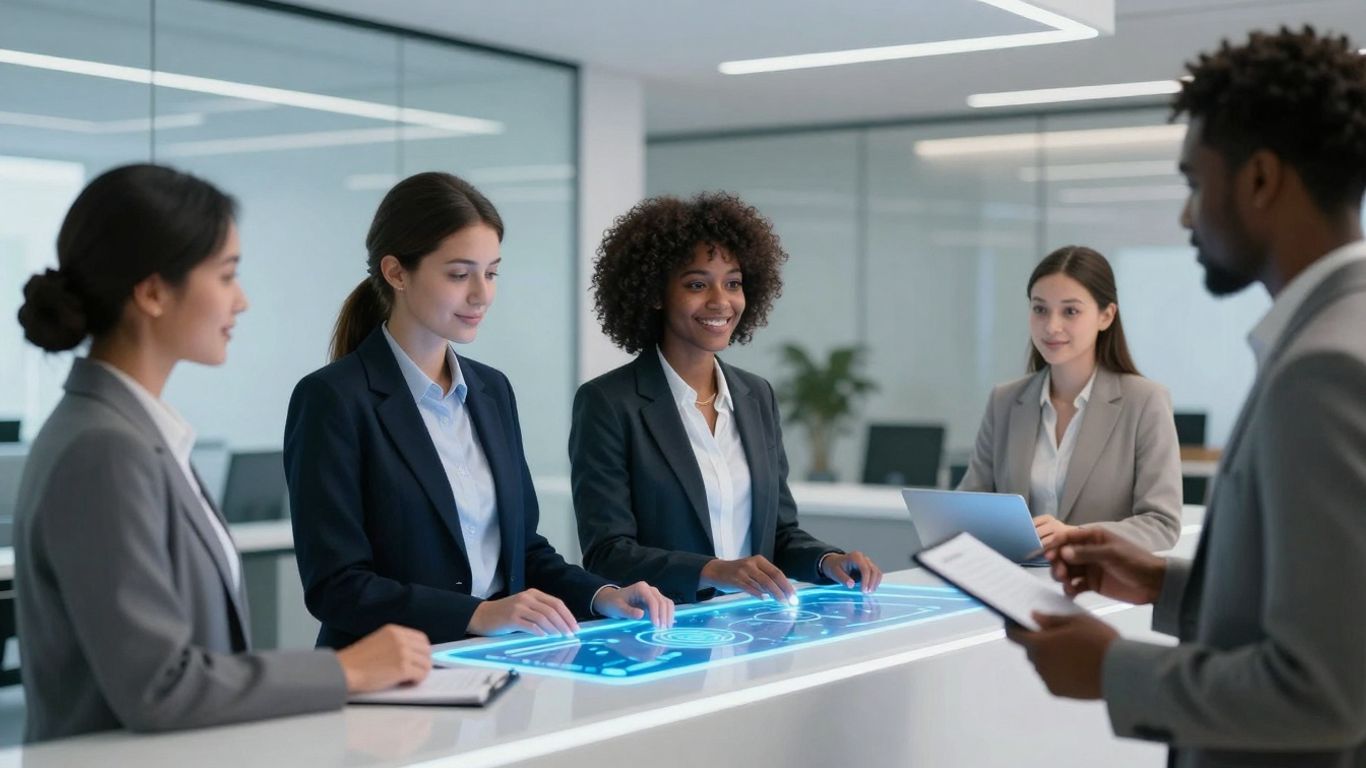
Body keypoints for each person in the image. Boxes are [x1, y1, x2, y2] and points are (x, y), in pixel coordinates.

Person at [1008, 27, 1366, 766]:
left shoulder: (1324, 367)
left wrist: (1111, 669)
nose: (1185, 217)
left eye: (1195, 184)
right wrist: (1164, 583)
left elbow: (1326, 690)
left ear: (1261, 179)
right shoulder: (1336, 334)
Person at [12, 164, 430, 743]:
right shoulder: (104, 448)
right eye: (227, 275)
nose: (242, 301)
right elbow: (161, 686)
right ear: (154, 292)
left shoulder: (133, 432)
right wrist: (348, 668)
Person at [285, 172, 673, 649]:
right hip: (392, 677)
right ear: (396, 272)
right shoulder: (333, 399)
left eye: (491, 273)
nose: (481, 294)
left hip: (499, 663)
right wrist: (477, 614)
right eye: (458, 274)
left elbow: (524, 552)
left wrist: (602, 594)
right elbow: (336, 586)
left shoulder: (492, 391)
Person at [570, 192, 883, 606]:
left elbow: (779, 534)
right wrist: (712, 570)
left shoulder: (756, 396)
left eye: (733, 283)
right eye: (697, 284)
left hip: (754, 627)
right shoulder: (609, 403)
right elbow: (607, 552)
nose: (721, 301)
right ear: (655, 293)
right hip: (662, 633)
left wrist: (828, 560)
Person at [958, 245, 1182, 551]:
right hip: (1013, 583)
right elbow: (971, 505)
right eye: (1040, 309)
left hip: (1100, 589)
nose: (1051, 326)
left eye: (1070, 311)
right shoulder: (1005, 400)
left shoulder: (1144, 401)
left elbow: (1161, 523)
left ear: (1106, 316)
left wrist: (1077, 535)